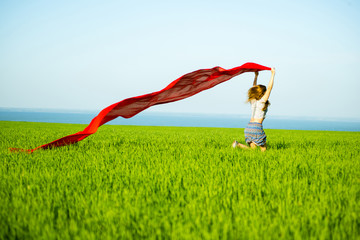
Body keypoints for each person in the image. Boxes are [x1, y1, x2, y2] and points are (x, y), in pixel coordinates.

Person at [232, 67, 275, 152]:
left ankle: (238, 144)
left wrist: (256, 76)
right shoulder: (262, 101)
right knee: (263, 149)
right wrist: (273, 74)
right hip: (257, 127)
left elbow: (254, 87)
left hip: (249, 127)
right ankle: (264, 162)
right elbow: (269, 88)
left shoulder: (253, 100)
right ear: (263, 93)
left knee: (253, 151)